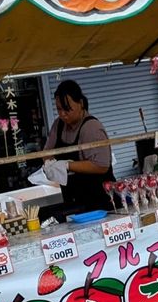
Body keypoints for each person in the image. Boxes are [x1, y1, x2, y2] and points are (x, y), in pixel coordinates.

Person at [44, 80, 115, 211]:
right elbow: (46, 152)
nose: (62, 114)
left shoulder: (91, 128)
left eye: (67, 109)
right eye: (59, 109)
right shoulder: (58, 125)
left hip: (100, 200)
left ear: (81, 103)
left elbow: (101, 166)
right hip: (74, 200)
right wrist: (50, 165)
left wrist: (66, 165)